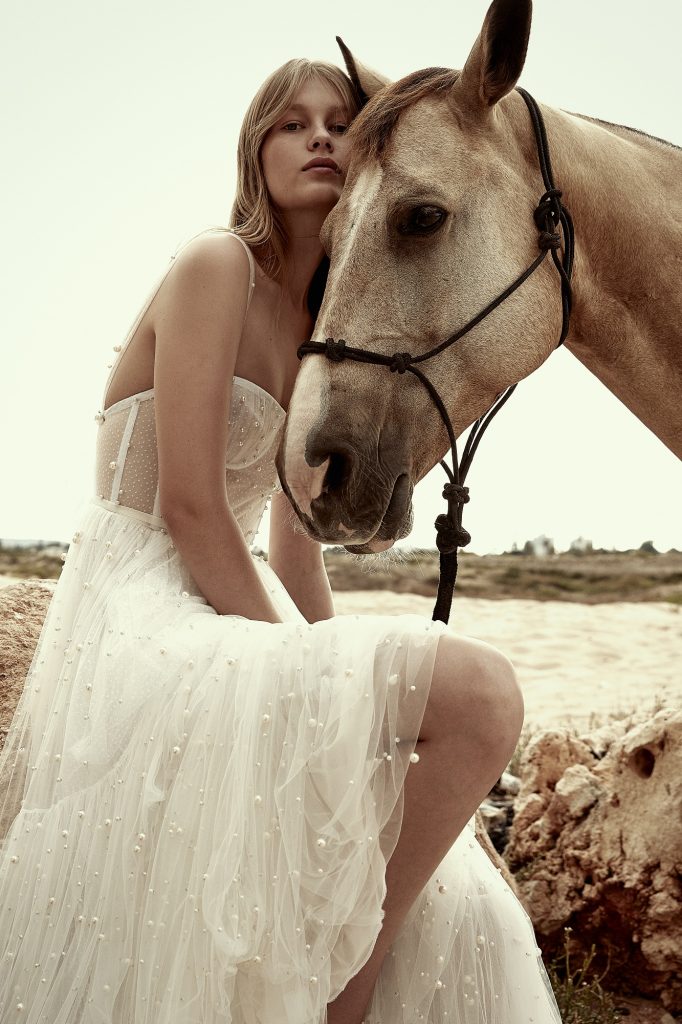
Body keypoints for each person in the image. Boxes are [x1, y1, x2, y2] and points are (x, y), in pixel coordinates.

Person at [0, 57, 562, 1024]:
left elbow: (294, 544)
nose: (320, 139)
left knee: (458, 878)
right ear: (255, 151)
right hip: (139, 599)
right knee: (480, 691)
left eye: (340, 122)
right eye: (291, 124)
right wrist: (309, 675)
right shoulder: (215, 265)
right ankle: (342, 990)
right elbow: (190, 507)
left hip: (226, 595)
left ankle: (351, 963)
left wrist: (331, 670)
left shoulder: (327, 323)